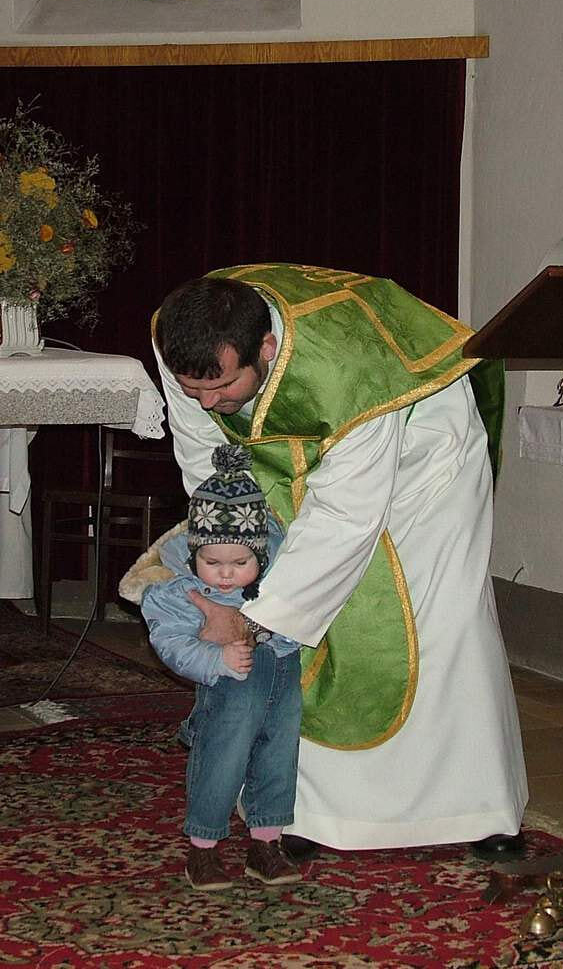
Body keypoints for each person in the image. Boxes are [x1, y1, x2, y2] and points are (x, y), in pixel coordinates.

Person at [152, 262, 529, 856]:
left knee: (441, 619)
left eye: (221, 386)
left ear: (266, 348)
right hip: (303, 456)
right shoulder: (182, 338)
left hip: (426, 449)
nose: (208, 401)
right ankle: (310, 813)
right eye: (193, 388)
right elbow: (204, 452)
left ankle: (479, 808)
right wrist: (228, 545)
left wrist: (254, 618)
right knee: (294, 597)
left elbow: (348, 516)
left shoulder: (351, 368)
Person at [135, 443, 303, 889]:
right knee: (221, 757)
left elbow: (305, 614)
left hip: (281, 682)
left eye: (240, 563)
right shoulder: (183, 591)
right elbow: (170, 641)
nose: (225, 575)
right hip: (229, 691)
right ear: (194, 554)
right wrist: (215, 657)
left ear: (260, 555)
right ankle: (203, 847)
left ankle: (266, 843)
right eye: (212, 563)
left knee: (279, 756)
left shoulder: (278, 580)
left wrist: (276, 630)